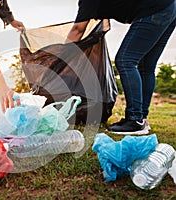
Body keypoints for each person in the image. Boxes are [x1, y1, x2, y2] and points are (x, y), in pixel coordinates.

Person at [67, 0, 176, 134]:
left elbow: (78, 30)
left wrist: (61, 57)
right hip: (169, 7)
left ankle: (135, 119)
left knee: (125, 60)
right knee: (147, 66)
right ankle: (141, 119)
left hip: (153, 9)